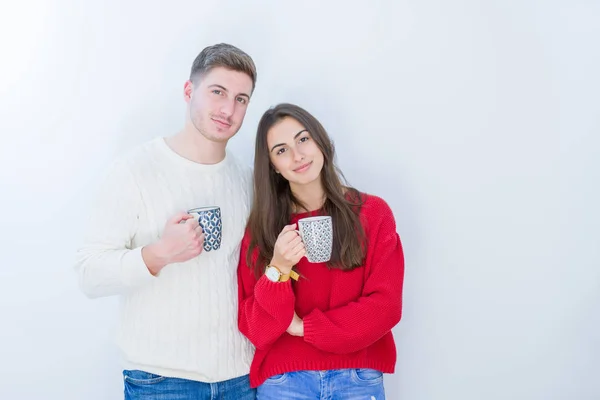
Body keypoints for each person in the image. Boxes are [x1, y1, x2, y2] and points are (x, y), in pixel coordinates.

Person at [75, 43, 258, 399]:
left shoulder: (247, 180)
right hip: (162, 381)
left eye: (241, 99)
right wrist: (158, 254)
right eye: (217, 92)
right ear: (189, 91)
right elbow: (88, 273)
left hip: (241, 377)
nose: (228, 109)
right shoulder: (134, 171)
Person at [237, 103, 405, 399]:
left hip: (358, 379)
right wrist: (278, 269)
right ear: (273, 166)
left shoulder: (373, 214)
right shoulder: (262, 230)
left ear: (321, 141)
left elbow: (385, 306)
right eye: (281, 150)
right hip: (284, 382)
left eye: (303, 139)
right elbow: (257, 329)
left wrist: (306, 328)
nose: (297, 155)